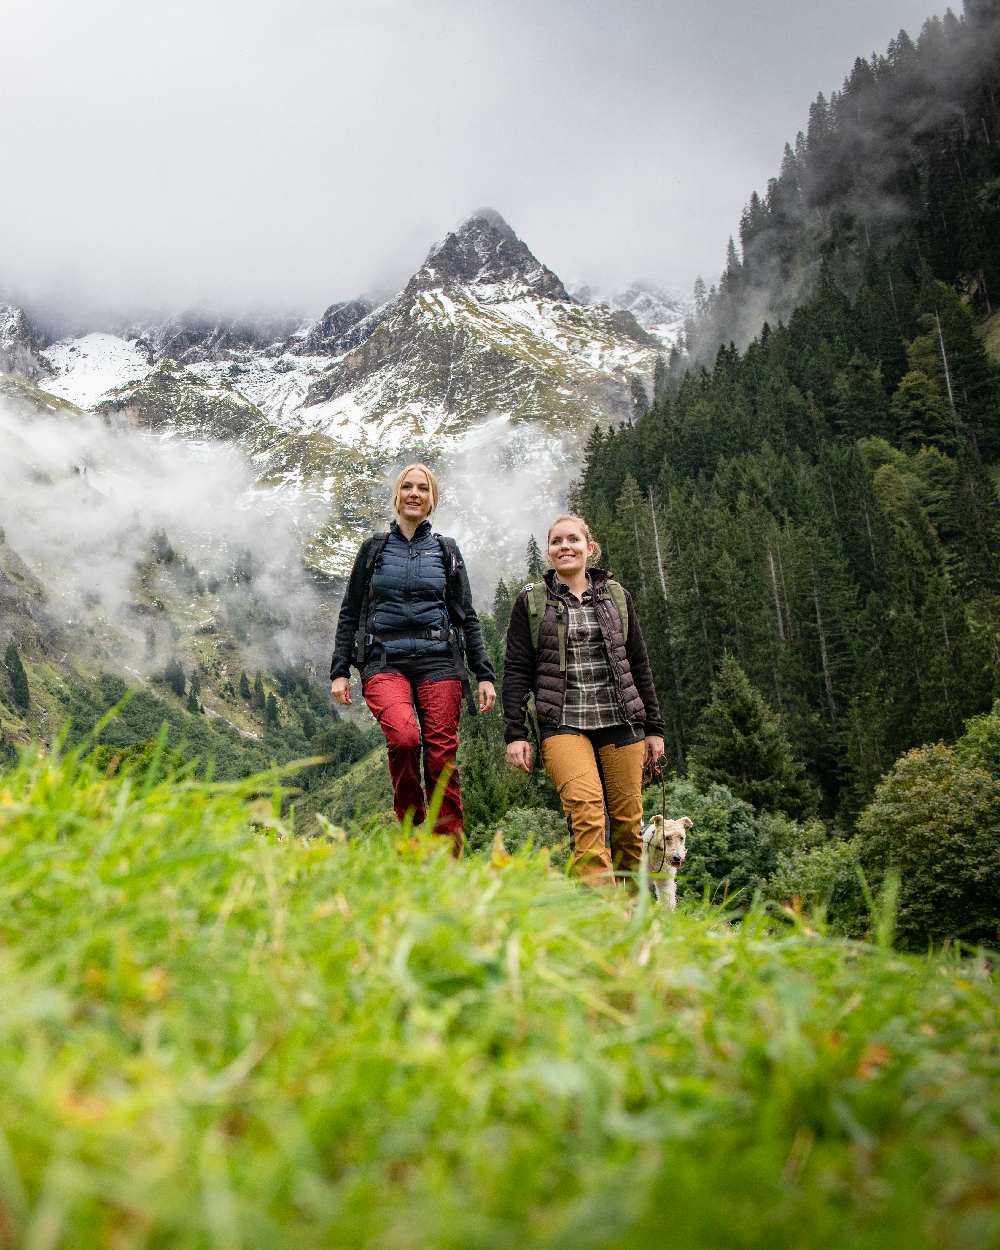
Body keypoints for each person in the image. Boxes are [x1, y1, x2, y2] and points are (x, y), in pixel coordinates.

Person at [330, 463, 496, 856]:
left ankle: (448, 857)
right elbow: (349, 611)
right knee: (404, 738)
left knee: (441, 758)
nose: (415, 493)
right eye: (408, 486)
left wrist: (484, 673)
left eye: (423, 488)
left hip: (440, 661)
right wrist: (340, 670)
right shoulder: (373, 550)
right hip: (383, 660)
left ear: (432, 500)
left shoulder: (446, 551)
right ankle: (411, 822)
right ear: (397, 495)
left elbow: (465, 616)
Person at [502, 514, 665, 885]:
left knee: (627, 825)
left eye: (572, 540)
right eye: (556, 541)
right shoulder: (531, 601)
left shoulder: (617, 597)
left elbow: (639, 663)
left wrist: (654, 727)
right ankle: (602, 916)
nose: (564, 547)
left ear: (589, 548)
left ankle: (631, 918)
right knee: (587, 814)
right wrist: (515, 733)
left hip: (621, 719)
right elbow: (515, 670)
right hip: (563, 722)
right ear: (549, 551)